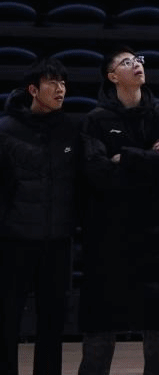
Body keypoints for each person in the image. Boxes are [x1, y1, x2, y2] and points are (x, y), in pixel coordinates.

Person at [78, 47, 159, 375]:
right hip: (108, 232)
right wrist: (148, 159)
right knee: (100, 321)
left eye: (138, 60)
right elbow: (97, 172)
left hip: (155, 230)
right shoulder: (95, 119)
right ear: (112, 76)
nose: (137, 65)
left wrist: (126, 157)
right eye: (126, 62)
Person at [0, 58, 80, 375]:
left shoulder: (71, 128)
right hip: (13, 240)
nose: (60, 89)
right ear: (33, 90)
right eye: (52, 82)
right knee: (7, 320)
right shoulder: (5, 129)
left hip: (57, 240)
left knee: (53, 322)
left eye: (63, 83)